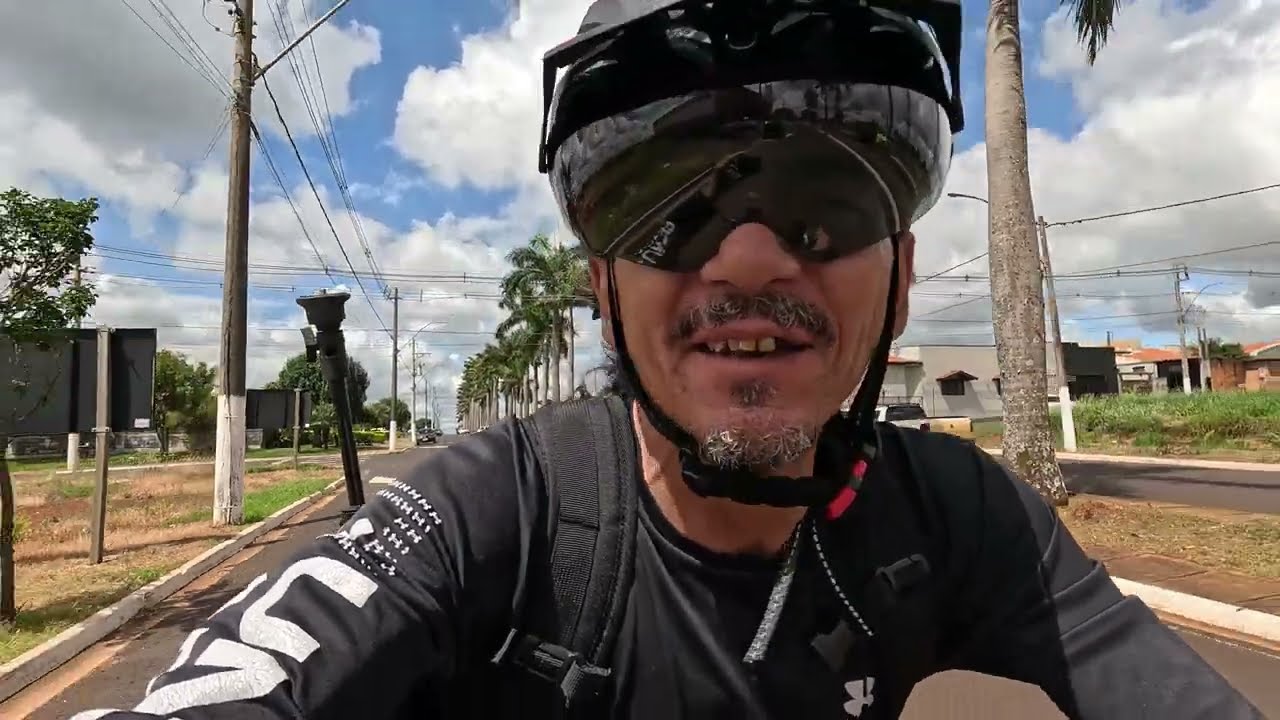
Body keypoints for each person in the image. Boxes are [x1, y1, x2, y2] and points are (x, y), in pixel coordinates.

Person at [79, 1, 1262, 718]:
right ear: (600, 288)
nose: (748, 257)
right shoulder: (491, 514)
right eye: (666, 205)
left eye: (822, 197)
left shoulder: (953, 520)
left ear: (898, 276)